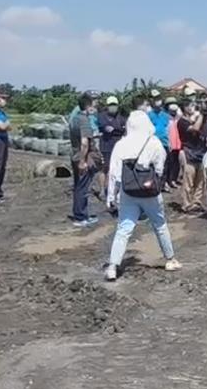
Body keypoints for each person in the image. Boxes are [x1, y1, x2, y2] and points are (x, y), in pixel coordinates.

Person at [103, 110, 181, 281]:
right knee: (159, 225)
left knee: (123, 229)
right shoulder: (154, 143)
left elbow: (114, 174)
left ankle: (112, 266)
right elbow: (160, 168)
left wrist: (111, 197)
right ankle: (170, 259)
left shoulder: (121, 144)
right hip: (149, 193)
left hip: (127, 192)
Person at [69, 93, 103, 227]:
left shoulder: (74, 118)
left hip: (75, 154)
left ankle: (80, 214)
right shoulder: (84, 120)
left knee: (79, 186)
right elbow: (84, 143)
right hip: (82, 156)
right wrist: (83, 161)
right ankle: (80, 217)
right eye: (94, 104)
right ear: (89, 105)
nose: (95, 107)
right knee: (83, 187)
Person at [178, 99, 207, 213]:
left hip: (200, 151)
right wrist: (202, 115)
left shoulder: (196, 119)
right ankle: (186, 204)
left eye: (192, 106)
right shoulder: (182, 122)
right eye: (188, 106)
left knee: (200, 180)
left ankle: (196, 202)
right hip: (189, 152)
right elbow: (195, 128)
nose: (191, 108)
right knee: (188, 179)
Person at [97, 95, 127, 198]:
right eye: (111, 105)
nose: (113, 107)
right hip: (106, 145)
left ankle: (112, 190)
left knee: (115, 169)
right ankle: (102, 190)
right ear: (107, 106)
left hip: (118, 146)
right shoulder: (102, 116)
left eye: (114, 105)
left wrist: (115, 129)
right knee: (104, 168)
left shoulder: (121, 118)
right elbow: (106, 128)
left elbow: (123, 129)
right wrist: (116, 129)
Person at [163, 97, 182, 190]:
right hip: (169, 143)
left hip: (178, 143)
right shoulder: (166, 117)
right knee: (168, 163)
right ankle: (167, 181)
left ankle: (173, 179)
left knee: (176, 163)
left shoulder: (178, 116)